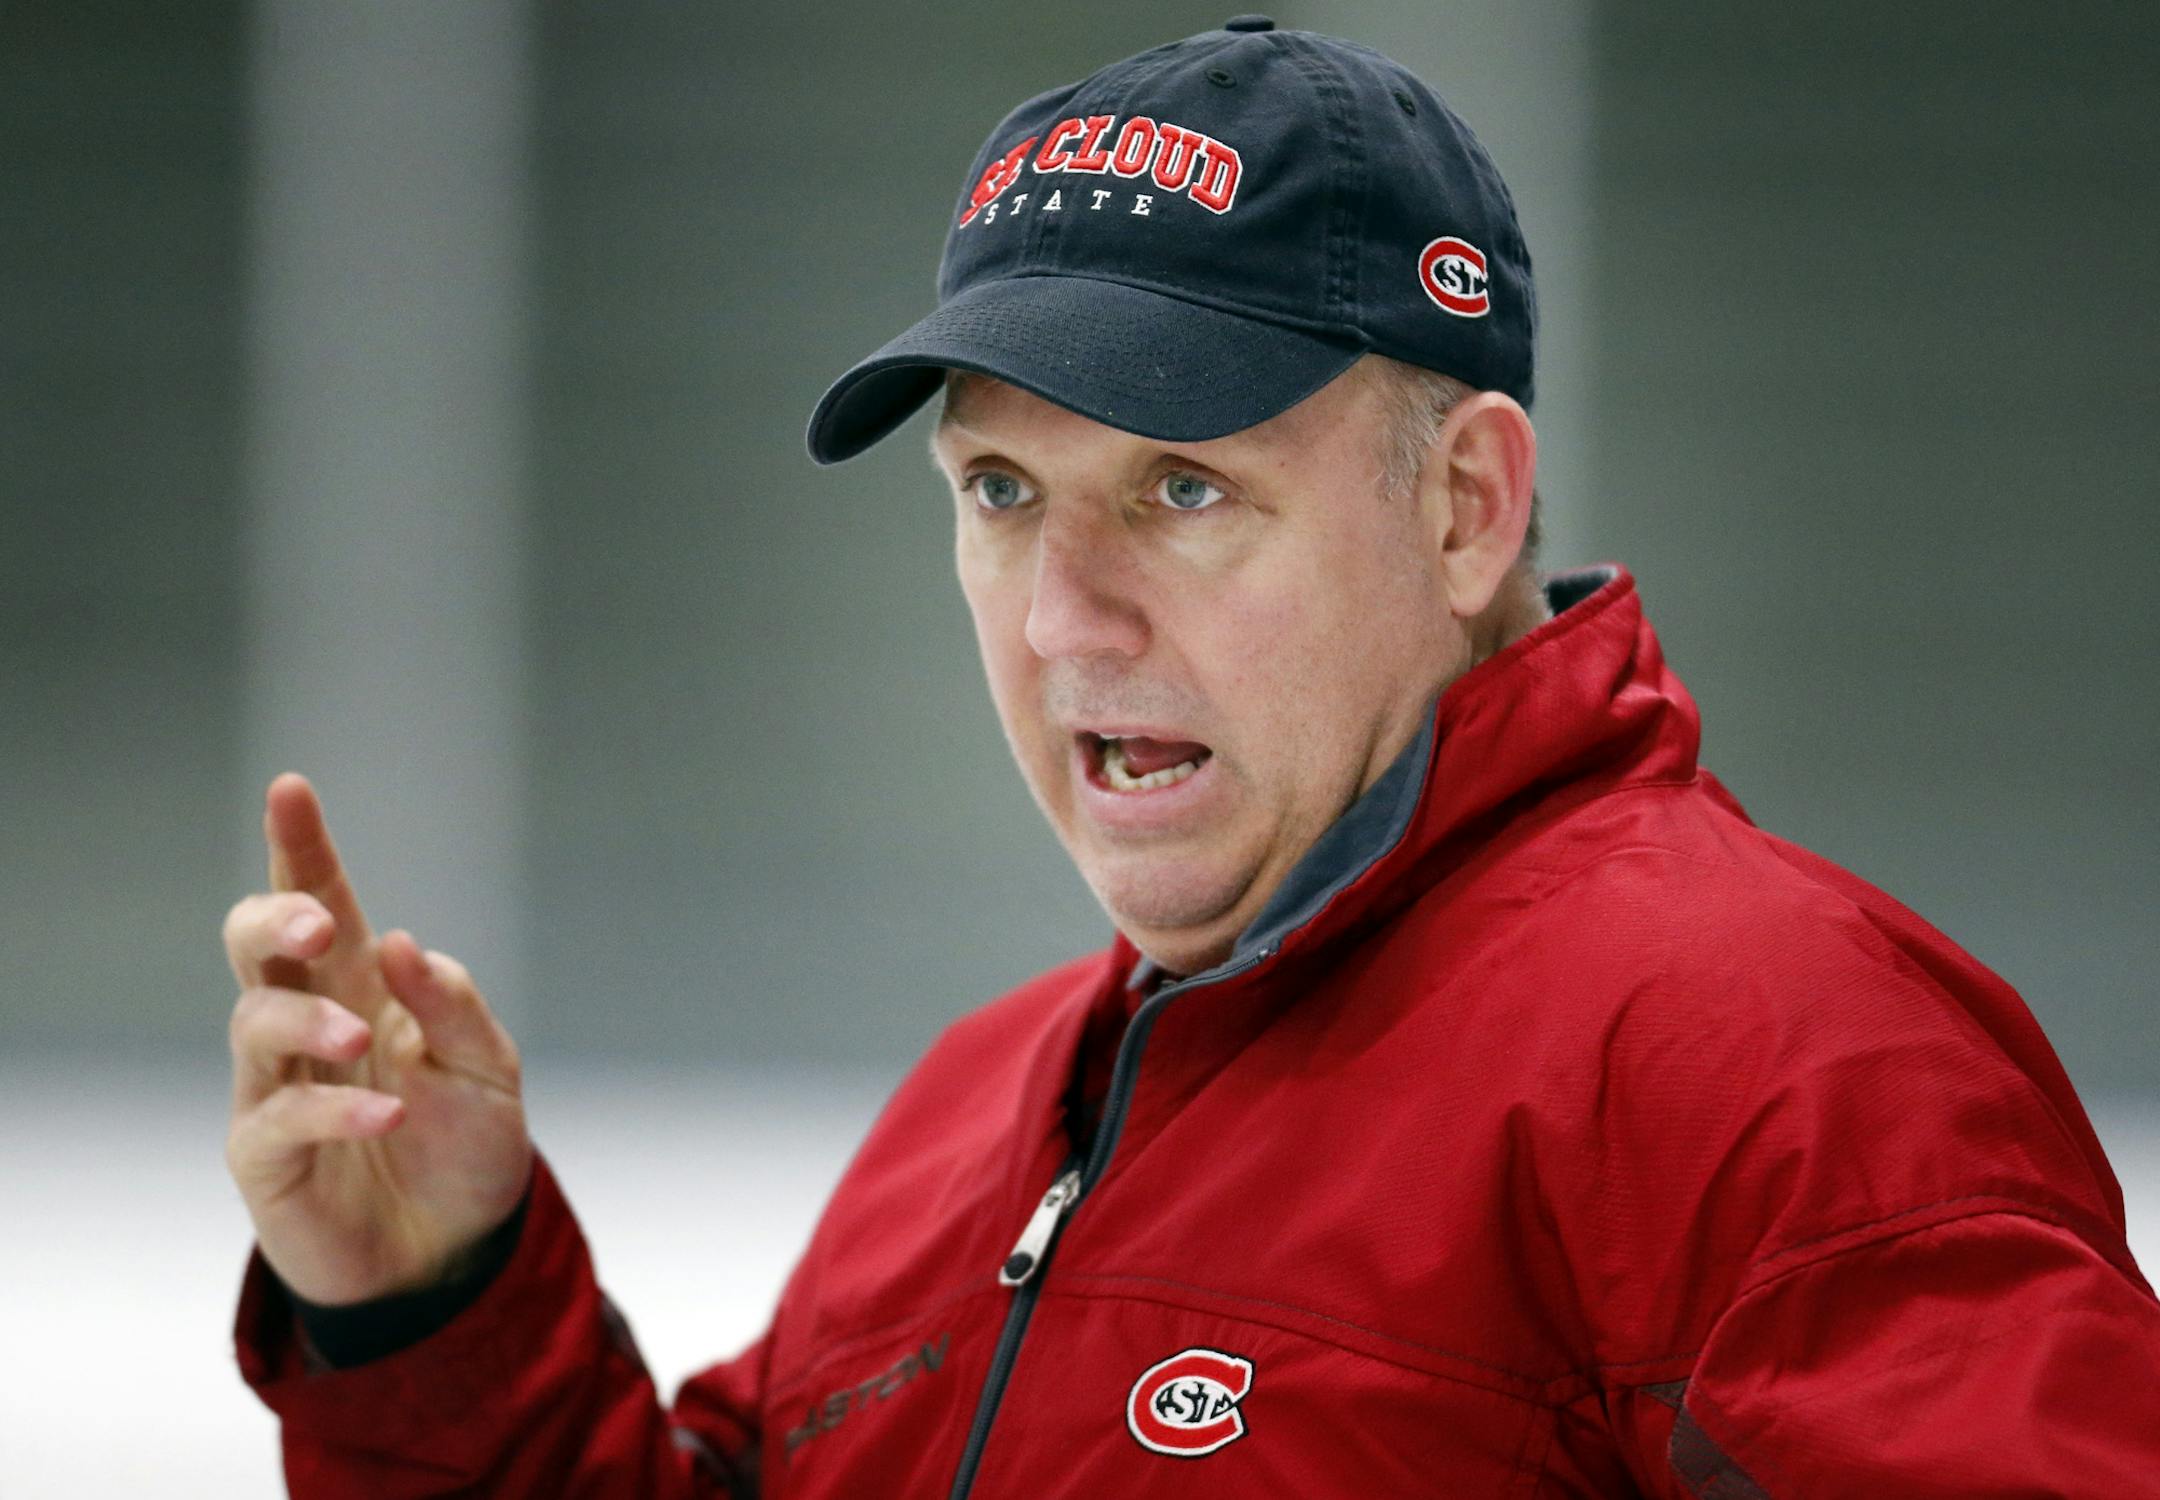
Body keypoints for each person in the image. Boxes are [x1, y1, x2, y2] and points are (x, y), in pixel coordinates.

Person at [225, 18, 2160, 1498]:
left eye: (1181, 487)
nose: (1066, 612)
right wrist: (435, 1311)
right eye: (998, 488)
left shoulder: (1775, 1069)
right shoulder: (979, 1117)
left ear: (1468, 504)